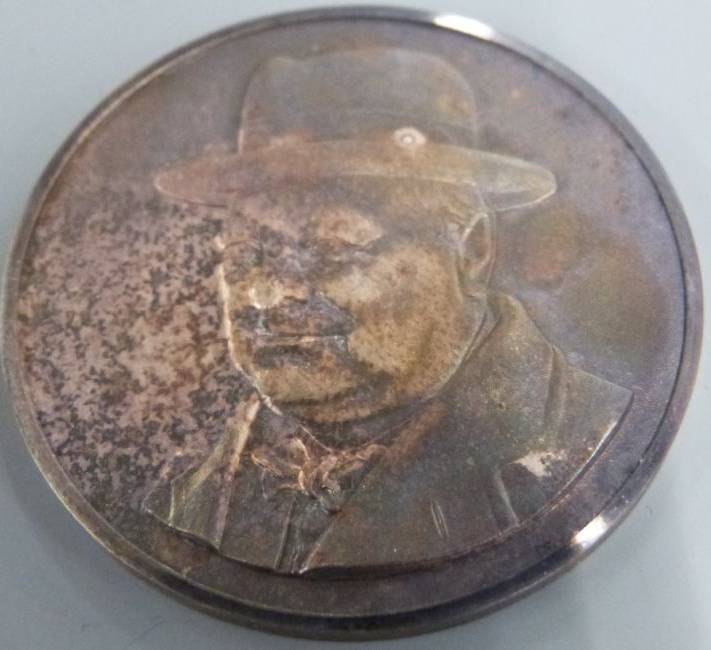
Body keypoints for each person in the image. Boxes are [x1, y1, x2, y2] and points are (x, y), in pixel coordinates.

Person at [143, 48, 632, 575]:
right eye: (244, 257)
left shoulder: (585, 441)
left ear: (472, 251)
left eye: (332, 250)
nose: (268, 295)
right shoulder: (196, 481)